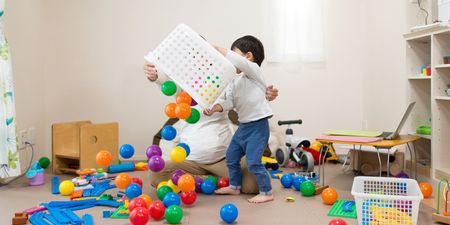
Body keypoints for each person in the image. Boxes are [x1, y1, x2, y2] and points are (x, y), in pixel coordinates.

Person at [143, 59, 278, 194]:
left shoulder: (224, 83)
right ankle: (211, 180)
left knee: (252, 185)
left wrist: (266, 96)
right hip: (190, 162)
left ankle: (203, 181)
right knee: (155, 175)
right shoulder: (182, 88)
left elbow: (247, 97)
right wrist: (154, 76)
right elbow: (164, 82)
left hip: (223, 159)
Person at [203, 35, 273, 203]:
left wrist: (211, 47)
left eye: (234, 54)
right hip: (244, 127)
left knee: (253, 162)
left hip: (258, 126)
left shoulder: (254, 72)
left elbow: (236, 60)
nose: (231, 61)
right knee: (231, 156)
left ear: (248, 56)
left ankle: (267, 192)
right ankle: (235, 187)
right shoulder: (235, 81)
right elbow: (229, 102)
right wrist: (214, 108)